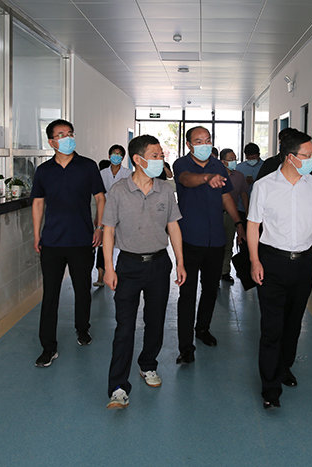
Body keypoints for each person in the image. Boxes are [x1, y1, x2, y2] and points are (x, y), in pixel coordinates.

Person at [246, 130, 312, 409]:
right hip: (272, 261)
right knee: (272, 326)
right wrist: (254, 261)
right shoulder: (264, 186)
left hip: (304, 263)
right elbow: (253, 226)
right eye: (306, 155)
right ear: (289, 157)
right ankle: (270, 387)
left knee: (293, 322)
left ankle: (284, 367)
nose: (311, 160)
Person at [103, 134, 186, 409]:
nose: (160, 159)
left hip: (159, 264)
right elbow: (108, 231)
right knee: (124, 326)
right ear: (138, 160)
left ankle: (148, 364)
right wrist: (108, 268)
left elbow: (173, 226)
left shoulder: (165, 190)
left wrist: (180, 262)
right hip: (128, 265)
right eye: (155, 155)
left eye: (161, 155)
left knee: (155, 320)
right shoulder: (118, 191)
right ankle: (118, 386)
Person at [30, 119, 106, 368]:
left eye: (70, 133)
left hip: (82, 240)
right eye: (61, 134)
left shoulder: (87, 166)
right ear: (52, 142)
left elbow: (100, 198)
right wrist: (36, 235)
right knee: (50, 295)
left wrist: (99, 227)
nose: (67, 138)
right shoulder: (44, 171)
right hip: (52, 242)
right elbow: (38, 203)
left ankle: (82, 329)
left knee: (82, 289)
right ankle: (48, 347)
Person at [173, 126, 246, 364]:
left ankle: (202, 328)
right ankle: (186, 347)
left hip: (216, 239)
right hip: (190, 239)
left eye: (207, 140)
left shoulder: (218, 166)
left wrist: (238, 223)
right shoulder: (181, 164)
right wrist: (206, 178)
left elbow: (226, 196)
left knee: (211, 289)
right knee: (187, 293)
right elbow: (186, 180)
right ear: (189, 145)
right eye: (198, 141)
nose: (204, 144)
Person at [94, 145, 132, 287]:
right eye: (114, 154)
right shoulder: (102, 174)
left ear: (123, 157)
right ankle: (101, 275)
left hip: (124, 213)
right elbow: (99, 197)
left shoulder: (128, 174)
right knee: (103, 244)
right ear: (109, 156)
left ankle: (123, 275)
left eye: (119, 154)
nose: (116, 156)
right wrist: (98, 217)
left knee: (125, 243)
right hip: (106, 212)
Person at [219, 148, 249, 284]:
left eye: (235, 158)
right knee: (216, 245)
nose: (234, 161)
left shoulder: (239, 176)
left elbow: (244, 194)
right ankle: (213, 272)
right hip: (216, 215)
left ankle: (225, 271)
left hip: (232, 215)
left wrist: (247, 213)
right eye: (230, 159)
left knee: (229, 244)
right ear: (223, 161)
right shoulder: (216, 175)